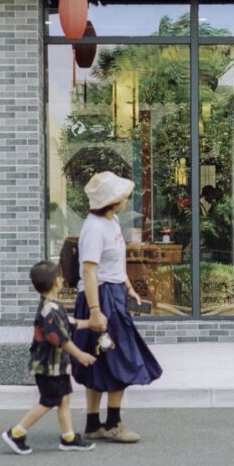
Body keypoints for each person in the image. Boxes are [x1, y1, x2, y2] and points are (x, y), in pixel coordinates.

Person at [71, 171, 163, 443]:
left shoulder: (110, 222)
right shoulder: (95, 229)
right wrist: (96, 310)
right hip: (100, 298)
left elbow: (113, 265)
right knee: (121, 358)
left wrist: (128, 286)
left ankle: (93, 424)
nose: (126, 198)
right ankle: (112, 423)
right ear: (111, 200)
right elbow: (89, 272)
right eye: (122, 195)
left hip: (111, 293)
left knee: (101, 360)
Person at [1, 260, 97, 455]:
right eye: (60, 277)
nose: (62, 279)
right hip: (48, 367)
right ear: (56, 282)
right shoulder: (49, 311)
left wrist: (92, 323)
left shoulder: (54, 306)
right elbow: (61, 339)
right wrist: (80, 355)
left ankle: (68, 438)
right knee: (49, 401)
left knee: (63, 399)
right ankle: (16, 433)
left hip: (56, 366)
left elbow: (70, 323)